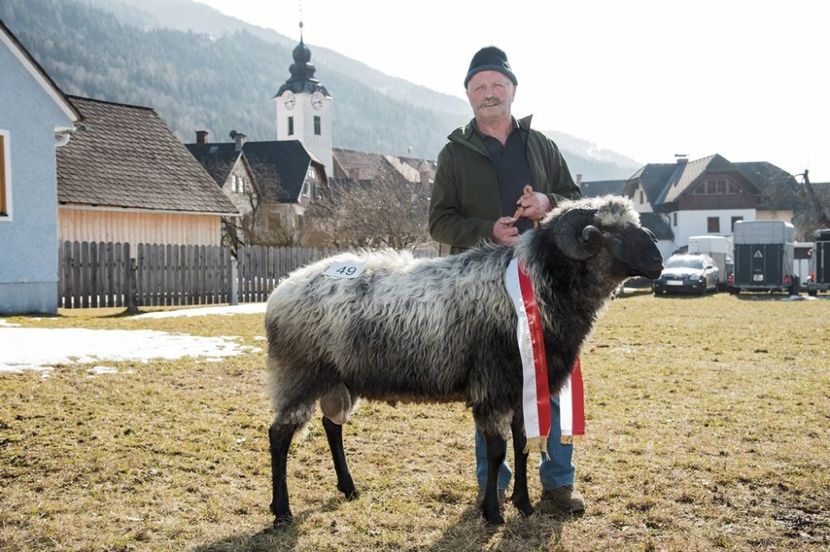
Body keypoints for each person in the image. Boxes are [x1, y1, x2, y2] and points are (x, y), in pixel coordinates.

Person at [428, 45, 585, 515]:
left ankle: (558, 484)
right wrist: (486, 231)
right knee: (490, 389)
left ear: (514, 90)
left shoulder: (542, 146)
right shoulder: (454, 154)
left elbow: (576, 204)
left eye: (498, 85)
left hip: (545, 286)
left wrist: (546, 201)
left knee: (549, 381)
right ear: (468, 96)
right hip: (481, 294)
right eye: (480, 88)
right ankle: (492, 486)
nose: (490, 94)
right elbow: (439, 221)